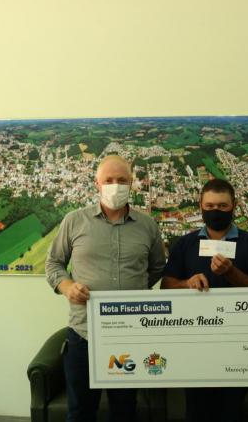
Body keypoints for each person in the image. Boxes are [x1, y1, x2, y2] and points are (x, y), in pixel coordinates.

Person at [45, 155, 165, 422]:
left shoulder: (148, 225)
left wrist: (133, 290)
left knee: (125, 410)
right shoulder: (74, 221)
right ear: (97, 184)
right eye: (108, 180)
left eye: (122, 180)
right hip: (84, 334)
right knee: (80, 411)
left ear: (132, 183)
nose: (115, 186)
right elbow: (53, 263)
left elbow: (158, 267)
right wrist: (67, 286)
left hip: (129, 335)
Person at [161, 178, 248, 422]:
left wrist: (232, 273)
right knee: (196, 411)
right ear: (200, 206)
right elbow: (166, 285)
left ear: (234, 206)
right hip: (195, 348)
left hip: (239, 348)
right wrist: (187, 283)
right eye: (210, 206)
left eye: (222, 206)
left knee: (231, 411)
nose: (216, 211)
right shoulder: (185, 243)